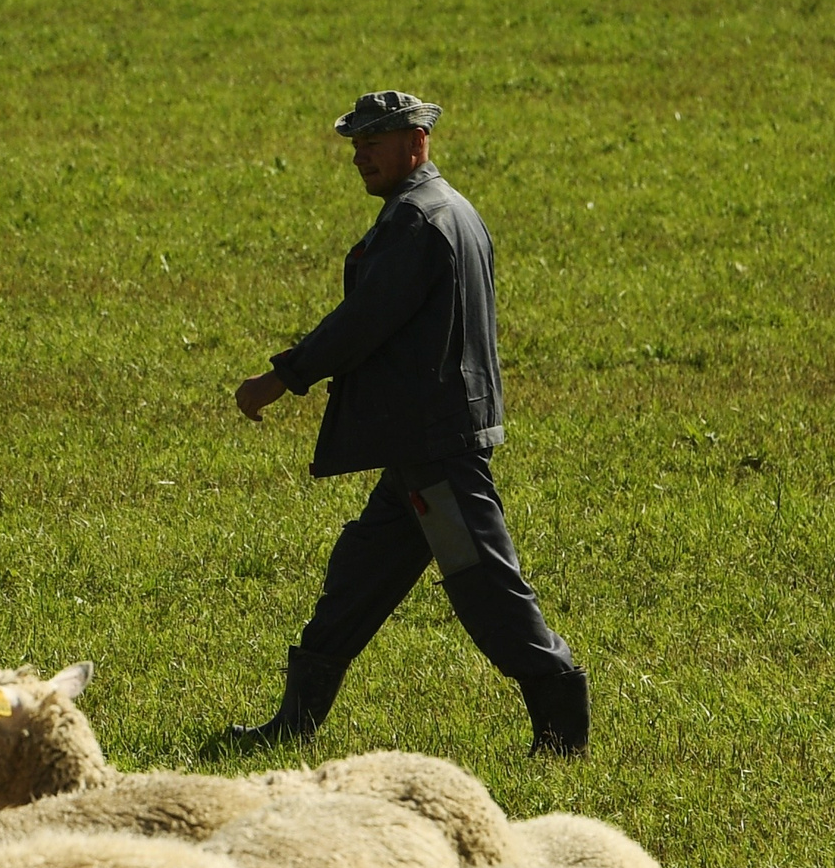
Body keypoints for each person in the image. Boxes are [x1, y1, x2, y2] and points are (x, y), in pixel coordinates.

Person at [230, 89, 589, 756]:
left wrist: (282, 377)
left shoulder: (419, 222)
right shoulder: (440, 209)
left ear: (415, 143)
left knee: (483, 583)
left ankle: (561, 727)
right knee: (356, 579)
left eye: (373, 140)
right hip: (416, 444)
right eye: (355, 143)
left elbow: (364, 321)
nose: (359, 155)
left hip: (435, 444)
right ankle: (293, 724)